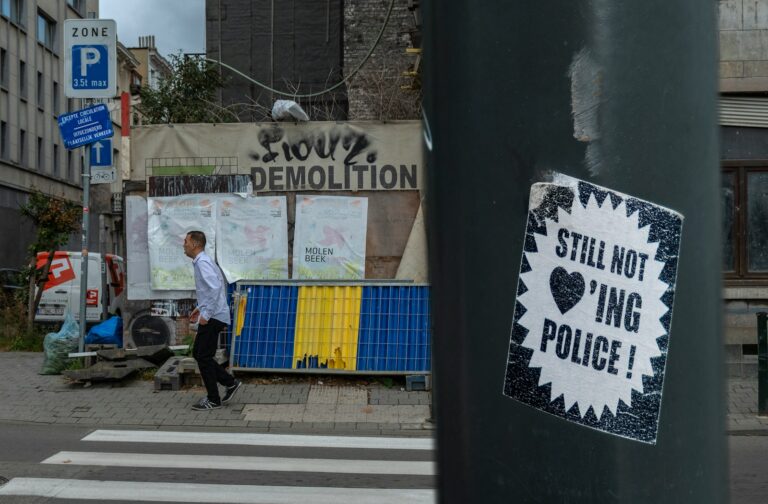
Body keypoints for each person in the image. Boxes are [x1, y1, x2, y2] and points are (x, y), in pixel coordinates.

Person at [183, 230, 242, 411]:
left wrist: (206, 315)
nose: (183, 245)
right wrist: (199, 309)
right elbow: (210, 290)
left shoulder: (202, 263)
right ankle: (230, 383)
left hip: (214, 316)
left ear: (195, 244)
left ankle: (214, 399)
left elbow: (215, 288)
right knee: (202, 355)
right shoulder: (202, 262)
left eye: (185, 241)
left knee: (202, 356)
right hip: (215, 314)